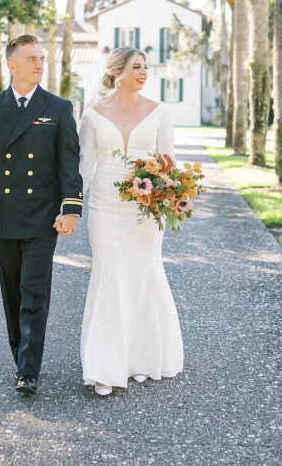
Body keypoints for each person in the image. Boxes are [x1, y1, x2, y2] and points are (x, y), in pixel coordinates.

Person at [0, 35, 83, 396]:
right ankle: (22, 359)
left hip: (43, 218)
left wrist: (71, 208)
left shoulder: (58, 108)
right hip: (4, 215)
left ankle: (28, 371)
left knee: (34, 293)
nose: (39, 64)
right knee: (12, 294)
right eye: (31, 58)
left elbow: (69, 163)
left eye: (41, 58)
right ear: (12, 64)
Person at [79, 46, 183, 396]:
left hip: (146, 212)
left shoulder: (158, 112)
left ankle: (141, 359)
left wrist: (168, 197)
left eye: (145, 67)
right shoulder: (93, 114)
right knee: (109, 277)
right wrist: (68, 207)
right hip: (105, 209)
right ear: (117, 71)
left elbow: (168, 163)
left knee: (143, 275)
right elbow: (85, 166)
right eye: (136, 67)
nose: (143, 73)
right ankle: (105, 367)